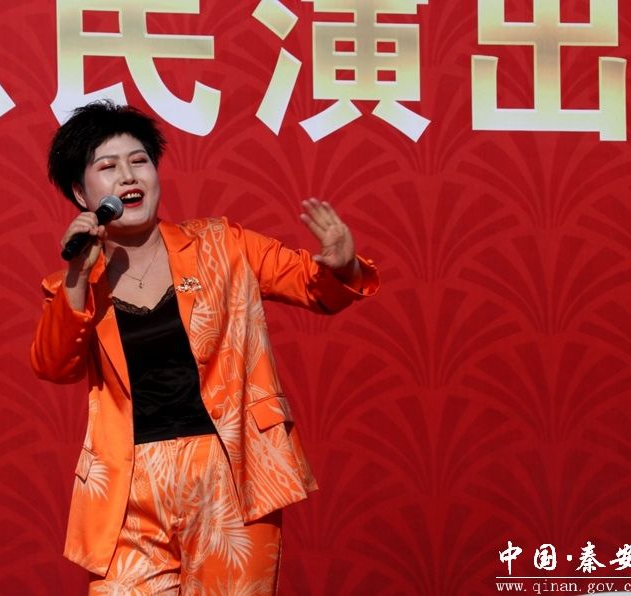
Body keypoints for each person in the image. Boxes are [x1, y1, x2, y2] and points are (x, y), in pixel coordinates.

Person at [31, 101, 379, 594]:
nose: (128, 175)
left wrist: (342, 265)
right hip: (126, 488)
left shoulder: (223, 244)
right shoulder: (74, 283)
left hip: (232, 471)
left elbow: (314, 287)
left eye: (139, 160)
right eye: (107, 167)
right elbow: (54, 366)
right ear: (80, 193)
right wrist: (76, 281)